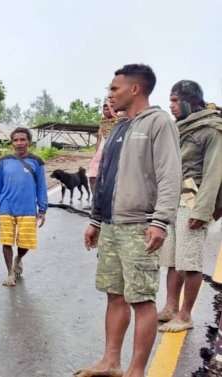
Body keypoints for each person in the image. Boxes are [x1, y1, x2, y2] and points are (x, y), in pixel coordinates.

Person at [78, 64, 181, 377]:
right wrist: (96, 220)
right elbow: (106, 175)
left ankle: (136, 371)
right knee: (115, 294)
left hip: (139, 225)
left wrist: (160, 221)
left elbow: (169, 174)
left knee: (142, 299)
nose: (110, 94)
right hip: (110, 224)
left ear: (135, 89)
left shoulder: (158, 122)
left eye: (114, 88)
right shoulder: (119, 127)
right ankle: (111, 362)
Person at [157, 81, 222, 333]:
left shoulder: (212, 129)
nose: (171, 106)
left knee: (190, 261)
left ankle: (186, 315)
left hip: (193, 202)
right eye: (170, 101)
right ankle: (171, 307)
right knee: (172, 259)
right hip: (171, 201)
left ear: (189, 101)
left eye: (175, 100)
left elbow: (214, 174)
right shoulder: (178, 128)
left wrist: (202, 211)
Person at [0, 127, 48, 287]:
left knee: (25, 243)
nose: (19, 143)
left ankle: (18, 259)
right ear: (12, 142)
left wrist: (42, 209)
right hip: (6, 206)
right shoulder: (4, 161)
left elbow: (41, 187)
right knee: (6, 241)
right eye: (16, 140)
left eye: (23, 139)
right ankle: (10, 273)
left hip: (28, 208)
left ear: (29, 141)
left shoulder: (37, 162)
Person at [86, 101, 124, 205]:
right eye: (104, 109)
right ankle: (96, 201)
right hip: (101, 153)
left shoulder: (120, 122)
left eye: (108, 109)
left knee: (110, 179)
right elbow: (99, 139)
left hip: (114, 153)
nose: (105, 111)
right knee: (92, 176)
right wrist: (96, 154)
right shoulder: (102, 123)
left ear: (113, 109)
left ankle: (110, 203)